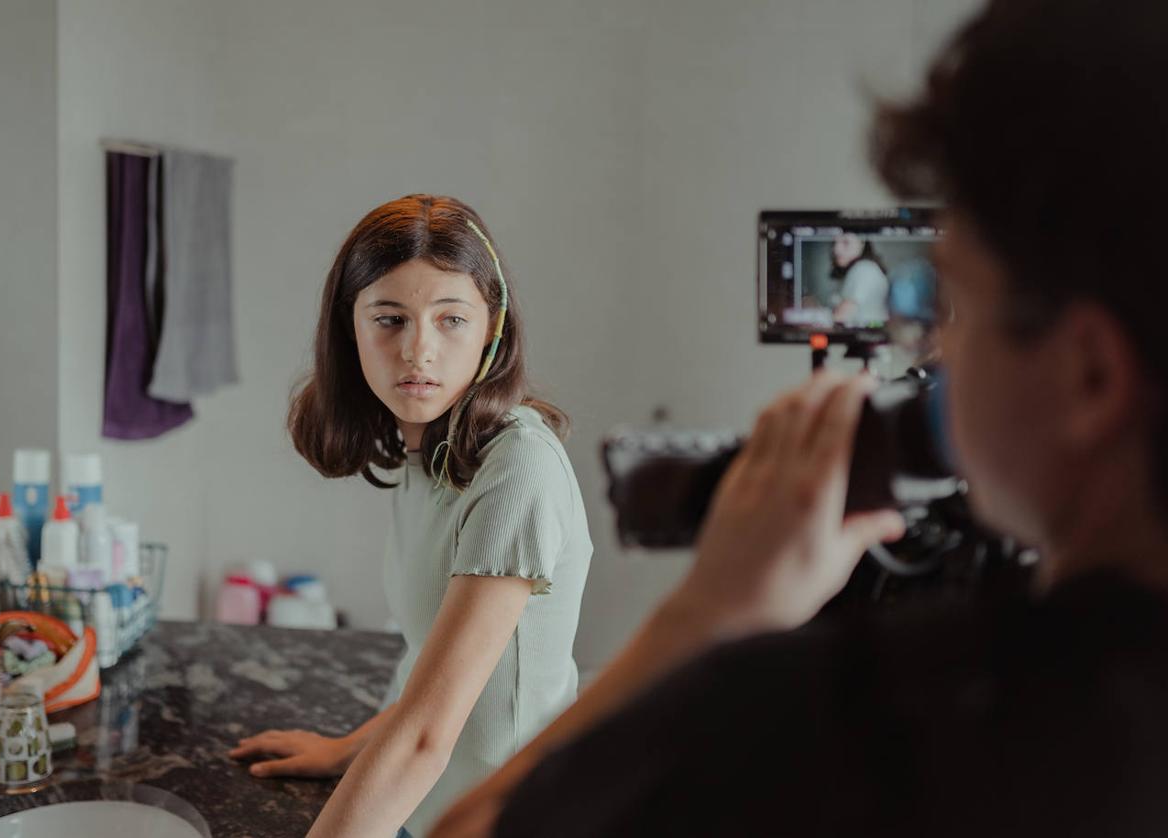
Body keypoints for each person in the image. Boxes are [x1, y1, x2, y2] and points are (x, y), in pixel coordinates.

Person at [431, 0, 1168, 835]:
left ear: (1091, 375)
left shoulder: (857, 730)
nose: (935, 356)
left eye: (952, 300)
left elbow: (478, 825)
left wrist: (711, 611)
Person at [229, 195, 593, 838]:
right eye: (389, 318)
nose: (418, 350)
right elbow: (437, 668)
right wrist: (347, 749)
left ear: (492, 328)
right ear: (351, 330)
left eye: (451, 319)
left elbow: (429, 733)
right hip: (419, 810)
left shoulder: (517, 468)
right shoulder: (425, 448)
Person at [830, 233, 890, 326]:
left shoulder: (863, 268)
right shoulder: (865, 267)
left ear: (862, 243)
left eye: (846, 242)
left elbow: (841, 316)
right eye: (834, 243)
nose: (836, 249)